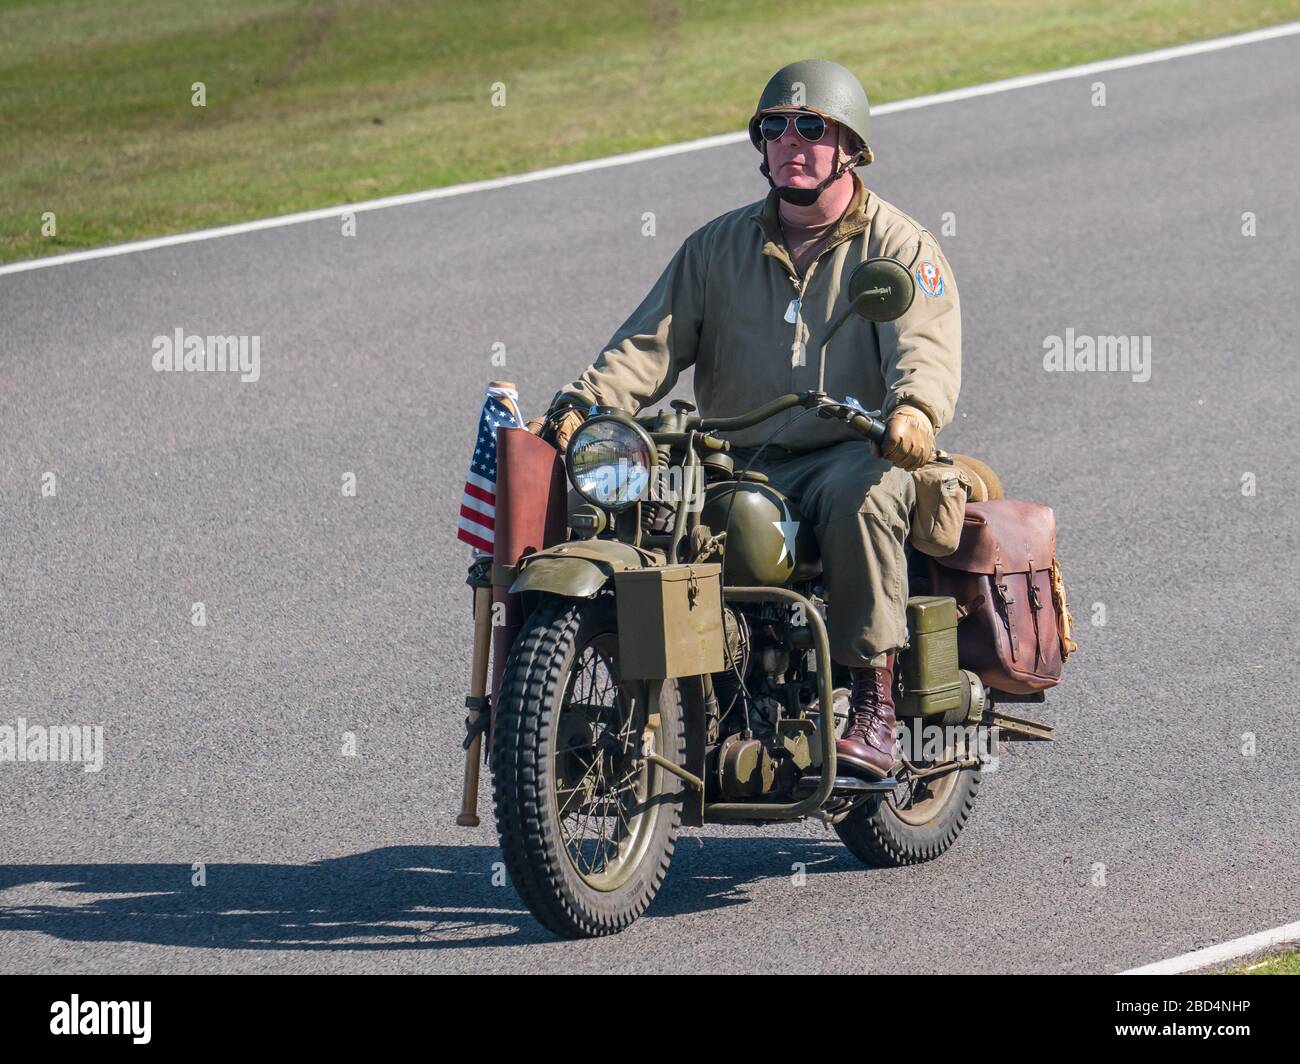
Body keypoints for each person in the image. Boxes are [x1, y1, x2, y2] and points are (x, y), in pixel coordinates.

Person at [527, 59, 960, 779]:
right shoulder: (716, 249)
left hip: (848, 452)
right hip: (732, 454)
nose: (792, 141)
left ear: (850, 145)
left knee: (867, 500)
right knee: (641, 508)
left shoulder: (899, 247)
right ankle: (695, 701)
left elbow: (925, 345)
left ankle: (874, 707)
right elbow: (647, 345)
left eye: (812, 127)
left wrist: (913, 410)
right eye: (775, 127)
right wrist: (584, 402)